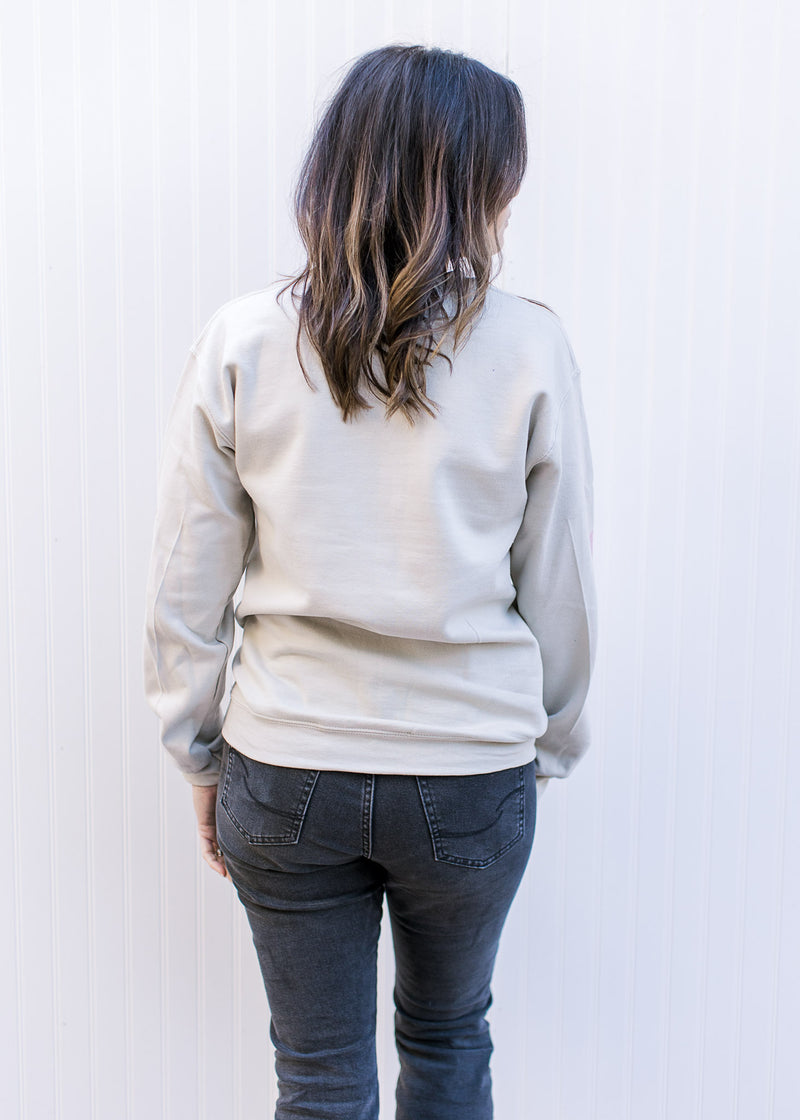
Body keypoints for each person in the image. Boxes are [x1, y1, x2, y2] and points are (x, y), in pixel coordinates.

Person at [143, 42, 596, 1120]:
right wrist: (546, 746)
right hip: (470, 771)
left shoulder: (244, 340)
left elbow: (184, 578)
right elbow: (560, 571)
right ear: (480, 181)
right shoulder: (528, 347)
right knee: (447, 1042)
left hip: (285, 762)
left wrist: (196, 750)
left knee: (316, 1081)